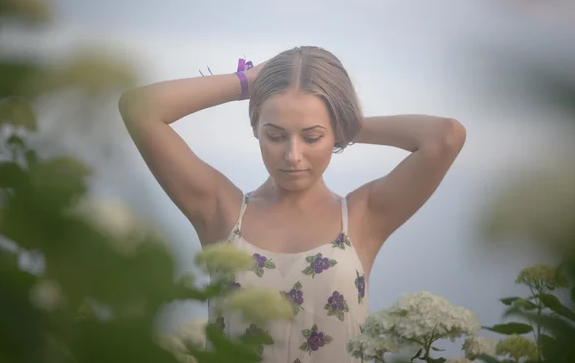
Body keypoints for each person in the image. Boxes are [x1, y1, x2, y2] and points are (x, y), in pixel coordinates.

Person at [119, 46, 466, 362]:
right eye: (275, 135)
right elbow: (138, 108)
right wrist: (246, 82)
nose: (293, 155)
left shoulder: (363, 217)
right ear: (255, 127)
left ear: (335, 134)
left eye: (312, 136)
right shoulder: (221, 212)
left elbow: (445, 136)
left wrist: (341, 120)